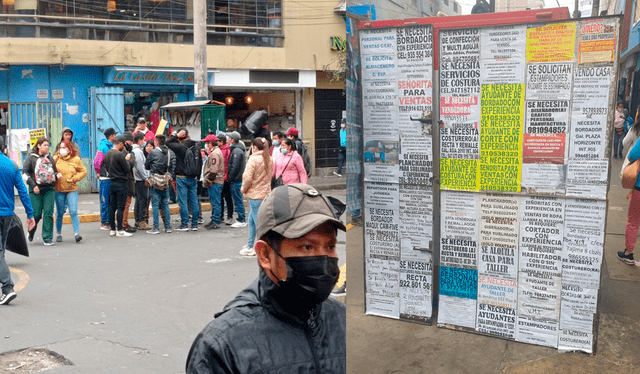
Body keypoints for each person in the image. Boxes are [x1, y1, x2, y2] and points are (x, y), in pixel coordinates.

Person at [186, 183, 346, 373]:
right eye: (307, 247)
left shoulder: (342, 320)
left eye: (330, 247)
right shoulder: (222, 345)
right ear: (265, 255)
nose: (323, 258)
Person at [0, 137, 35, 305]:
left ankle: (7, 288)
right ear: (3, 147)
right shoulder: (11, 165)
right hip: (7, 215)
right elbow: (22, 191)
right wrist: (30, 214)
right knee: (0, 251)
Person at [239, 138, 274, 256]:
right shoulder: (269, 159)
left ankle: (257, 247)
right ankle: (250, 244)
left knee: (257, 221)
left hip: (254, 194)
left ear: (254, 147)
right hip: (265, 193)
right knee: (252, 220)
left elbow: (248, 178)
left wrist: (243, 189)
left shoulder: (253, 160)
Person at [23, 137, 59, 246]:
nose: (47, 147)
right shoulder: (31, 158)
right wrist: (33, 185)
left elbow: (54, 171)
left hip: (49, 189)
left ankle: (47, 238)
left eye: (48, 145)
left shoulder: (49, 158)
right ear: (38, 146)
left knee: (48, 213)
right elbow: (24, 173)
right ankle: (31, 231)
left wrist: (57, 175)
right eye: (44, 145)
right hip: (36, 190)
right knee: (36, 213)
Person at [167, 128, 202, 231]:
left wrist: (175, 136)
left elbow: (167, 142)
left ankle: (185, 224)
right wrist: (198, 176)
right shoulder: (196, 146)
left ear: (180, 137)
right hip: (193, 177)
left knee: (183, 202)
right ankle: (195, 224)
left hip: (182, 177)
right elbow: (199, 162)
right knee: (194, 201)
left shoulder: (180, 147)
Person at [53, 139, 87, 243]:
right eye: (60, 147)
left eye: (64, 147)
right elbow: (49, 169)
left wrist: (74, 178)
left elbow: (84, 171)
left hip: (72, 188)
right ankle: (58, 233)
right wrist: (55, 175)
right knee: (59, 212)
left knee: (73, 211)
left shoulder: (75, 159)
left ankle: (76, 233)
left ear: (69, 149)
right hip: (59, 189)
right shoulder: (55, 159)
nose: (62, 150)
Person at [104, 135, 134, 237]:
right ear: (120, 143)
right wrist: (127, 160)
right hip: (121, 182)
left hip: (112, 182)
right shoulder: (120, 155)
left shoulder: (108, 153)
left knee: (112, 207)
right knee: (121, 207)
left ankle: (112, 229)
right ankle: (120, 230)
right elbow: (126, 169)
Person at [145, 134, 176, 234]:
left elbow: (146, 166)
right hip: (165, 181)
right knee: (165, 204)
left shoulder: (153, 152)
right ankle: (168, 227)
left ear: (156, 142)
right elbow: (172, 166)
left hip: (155, 181)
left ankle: (156, 227)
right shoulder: (170, 153)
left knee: (155, 204)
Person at [94, 127, 117, 230]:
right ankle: (105, 222)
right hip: (105, 177)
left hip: (111, 177)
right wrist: (98, 173)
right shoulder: (103, 147)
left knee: (111, 201)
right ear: (111, 136)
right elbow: (96, 162)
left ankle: (109, 220)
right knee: (105, 200)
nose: (115, 136)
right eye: (114, 135)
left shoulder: (111, 146)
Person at [202, 134, 224, 230]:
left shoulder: (215, 153)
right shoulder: (214, 152)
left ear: (210, 143)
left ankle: (215, 221)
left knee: (215, 202)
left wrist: (209, 180)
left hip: (215, 181)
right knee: (215, 201)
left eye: (207, 143)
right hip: (216, 181)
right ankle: (214, 220)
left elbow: (214, 170)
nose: (206, 145)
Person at [132, 132, 151, 230]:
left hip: (138, 179)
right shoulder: (138, 152)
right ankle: (141, 221)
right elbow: (140, 167)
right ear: (139, 140)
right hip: (140, 180)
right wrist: (145, 178)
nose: (144, 142)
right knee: (143, 200)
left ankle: (138, 221)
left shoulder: (135, 150)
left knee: (139, 201)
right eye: (143, 140)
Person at [227, 131, 247, 228]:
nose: (228, 139)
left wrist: (230, 177)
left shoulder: (236, 151)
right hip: (237, 178)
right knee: (238, 199)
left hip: (236, 179)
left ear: (233, 140)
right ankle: (241, 217)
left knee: (238, 199)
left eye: (230, 138)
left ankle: (241, 219)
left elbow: (234, 166)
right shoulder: (238, 149)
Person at [217, 134, 234, 225]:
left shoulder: (227, 150)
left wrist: (226, 176)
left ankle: (229, 216)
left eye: (219, 141)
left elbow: (227, 164)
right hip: (220, 177)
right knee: (220, 198)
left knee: (227, 198)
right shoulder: (219, 150)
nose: (218, 143)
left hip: (225, 178)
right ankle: (221, 216)